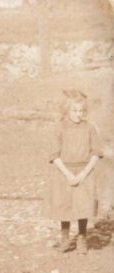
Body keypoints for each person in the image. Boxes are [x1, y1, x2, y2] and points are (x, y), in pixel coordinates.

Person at [47, 90, 102, 254]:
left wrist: (83, 174)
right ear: (67, 110)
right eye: (75, 110)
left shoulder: (90, 128)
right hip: (65, 172)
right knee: (65, 205)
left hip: (84, 171)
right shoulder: (60, 128)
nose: (79, 114)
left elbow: (96, 153)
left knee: (83, 205)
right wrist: (69, 174)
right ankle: (65, 237)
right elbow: (54, 155)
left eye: (82, 111)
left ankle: (82, 237)